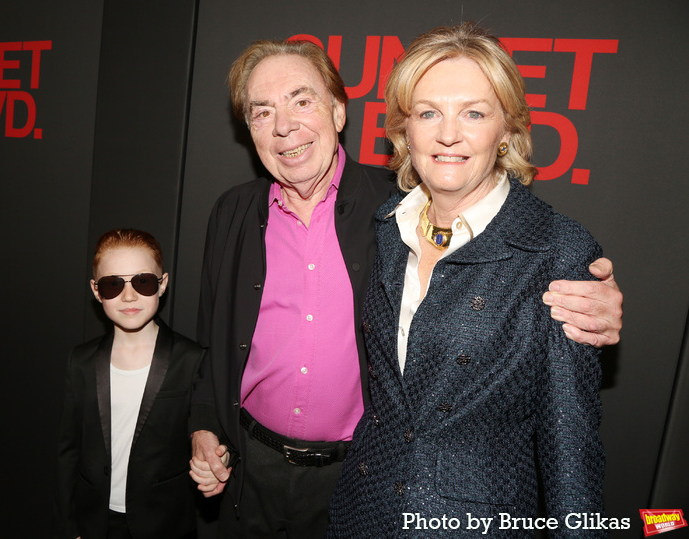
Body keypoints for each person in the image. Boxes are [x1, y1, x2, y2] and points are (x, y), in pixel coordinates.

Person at [188, 39, 621, 539]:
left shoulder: (384, 209)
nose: (284, 125)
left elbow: (571, 451)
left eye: (302, 101)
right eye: (263, 112)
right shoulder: (380, 221)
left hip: (382, 489)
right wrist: (206, 423)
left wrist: (597, 303)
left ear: (339, 111)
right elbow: (210, 338)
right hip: (282, 477)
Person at [327, 23, 607, 538]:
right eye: (428, 112)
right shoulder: (390, 225)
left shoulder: (557, 250)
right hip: (361, 510)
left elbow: (571, 446)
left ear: (507, 130)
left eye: (473, 113)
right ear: (404, 129)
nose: (448, 134)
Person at [54, 229, 204, 539]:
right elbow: (69, 452)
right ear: (97, 292)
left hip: (165, 524)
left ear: (162, 284)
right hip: (95, 522)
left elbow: (210, 433)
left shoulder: (192, 359)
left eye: (142, 281)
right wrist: (70, 526)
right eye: (113, 284)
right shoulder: (80, 361)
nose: (129, 296)